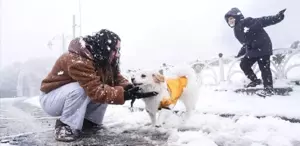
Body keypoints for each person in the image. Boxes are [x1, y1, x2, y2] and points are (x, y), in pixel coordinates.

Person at [39, 29, 158, 142]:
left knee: (106, 87)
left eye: (118, 50)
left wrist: (129, 87)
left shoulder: (104, 61)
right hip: (51, 99)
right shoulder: (77, 59)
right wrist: (124, 95)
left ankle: (90, 123)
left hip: (67, 96)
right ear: (104, 47)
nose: (117, 54)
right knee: (82, 89)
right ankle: (65, 126)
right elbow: (95, 90)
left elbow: (115, 79)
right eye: (115, 49)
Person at [224, 8, 286, 96]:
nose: (230, 21)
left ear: (237, 17)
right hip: (253, 50)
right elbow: (246, 43)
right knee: (244, 64)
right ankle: (255, 80)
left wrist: (277, 17)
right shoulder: (236, 30)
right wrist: (239, 55)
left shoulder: (248, 21)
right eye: (228, 20)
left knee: (264, 68)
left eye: (232, 18)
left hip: (262, 47)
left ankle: (269, 90)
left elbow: (263, 21)